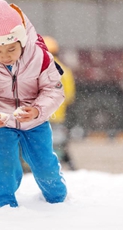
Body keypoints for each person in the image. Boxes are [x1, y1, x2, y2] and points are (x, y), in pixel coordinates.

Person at [0, 0, 67, 208]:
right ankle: (3, 203)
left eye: (11, 49)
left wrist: (37, 110)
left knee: (45, 165)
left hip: (35, 121)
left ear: (21, 40)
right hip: (0, 122)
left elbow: (54, 90)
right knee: (5, 165)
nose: (5, 56)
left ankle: (58, 199)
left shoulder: (41, 58)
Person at [43, 36, 76, 170]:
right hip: (58, 115)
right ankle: (64, 165)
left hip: (38, 116)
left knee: (37, 143)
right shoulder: (64, 71)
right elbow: (69, 96)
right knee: (57, 143)